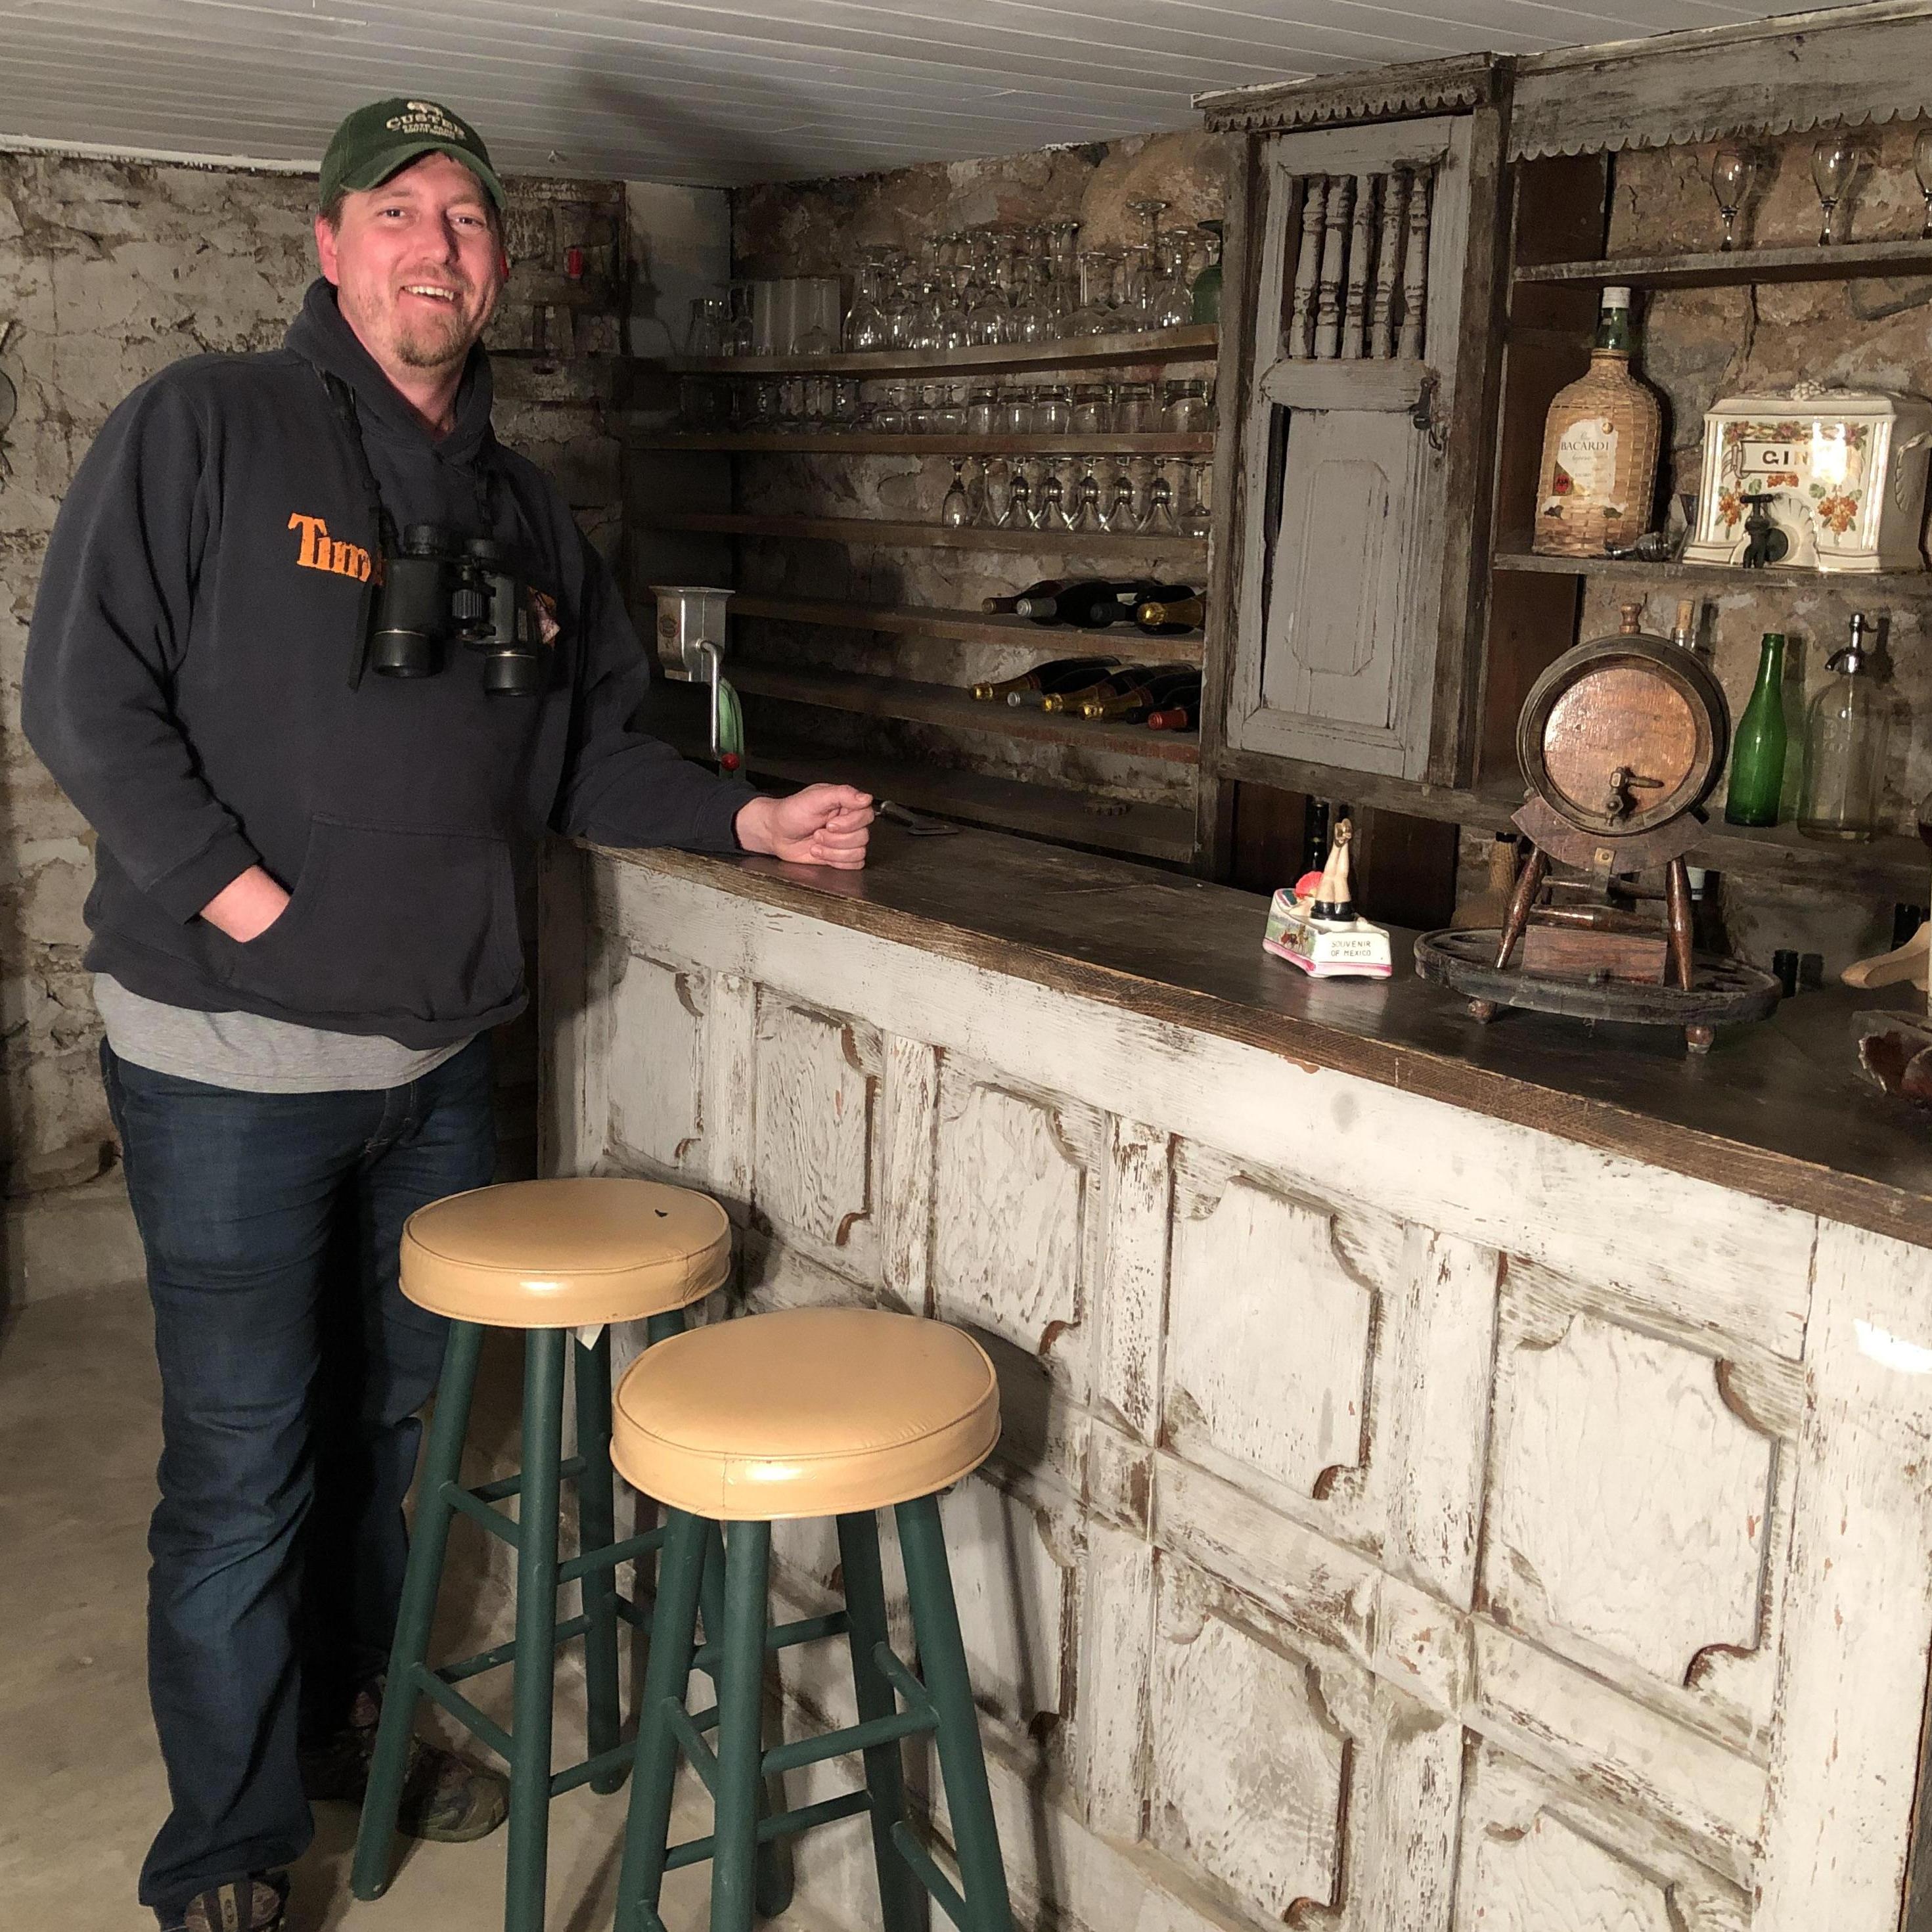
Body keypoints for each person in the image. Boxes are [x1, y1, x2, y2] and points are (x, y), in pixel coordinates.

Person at [22, 96, 872, 1932]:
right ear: (326, 247)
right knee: (245, 1465)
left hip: (439, 1069)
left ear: (494, 268)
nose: (437, 243)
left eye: (467, 219)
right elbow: (85, 698)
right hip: (224, 1056)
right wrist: (254, 904)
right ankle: (227, 1853)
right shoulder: (206, 427)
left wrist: (746, 813)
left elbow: (586, 755)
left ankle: (353, 1717)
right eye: (395, 210)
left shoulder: (524, 510)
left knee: (407, 1442)